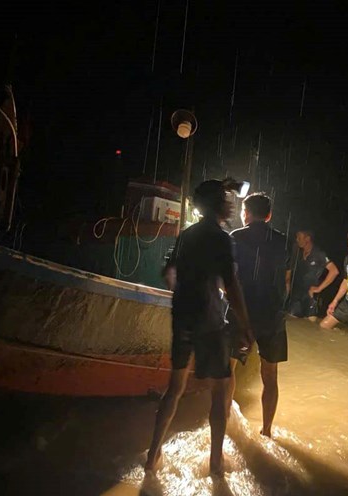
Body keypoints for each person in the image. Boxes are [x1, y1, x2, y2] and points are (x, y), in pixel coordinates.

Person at [146, 179, 253, 475]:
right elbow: (231, 284)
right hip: (210, 322)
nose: (230, 202)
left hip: (183, 317)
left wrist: (187, 291)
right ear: (216, 205)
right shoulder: (221, 238)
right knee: (219, 393)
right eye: (225, 198)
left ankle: (152, 456)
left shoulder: (187, 234)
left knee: (174, 389)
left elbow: (168, 271)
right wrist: (244, 323)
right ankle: (216, 462)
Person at [226, 192, 289, 437]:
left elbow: (228, 278)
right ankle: (267, 431)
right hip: (272, 315)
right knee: (270, 375)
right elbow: (286, 280)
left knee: (228, 370)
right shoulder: (283, 241)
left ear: (246, 214)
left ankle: (224, 425)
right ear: (269, 215)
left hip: (242, 313)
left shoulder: (236, 238)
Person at [286, 230, 340, 321]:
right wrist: (287, 287)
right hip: (296, 295)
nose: (297, 240)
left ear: (307, 238)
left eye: (299, 237)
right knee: (292, 322)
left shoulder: (319, 254)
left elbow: (334, 271)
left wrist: (319, 288)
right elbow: (289, 271)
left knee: (311, 325)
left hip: (312, 296)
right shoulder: (297, 252)